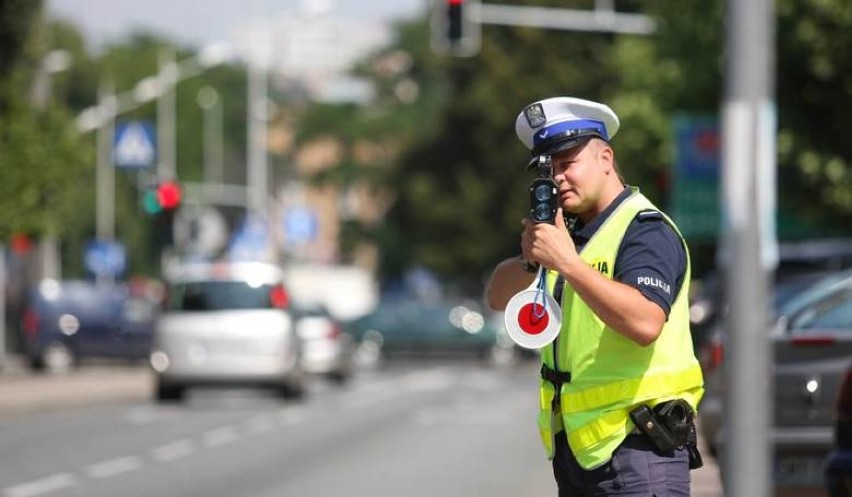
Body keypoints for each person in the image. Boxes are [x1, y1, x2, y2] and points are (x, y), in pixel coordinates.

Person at [485, 96, 704, 496]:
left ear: (606, 158)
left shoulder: (644, 230)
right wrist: (533, 259)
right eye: (549, 170)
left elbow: (644, 322)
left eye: (568, 163)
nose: (559, 178)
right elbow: (496, 296)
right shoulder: (570, 234)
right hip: (581, 455)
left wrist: (568, 263)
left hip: (639, 451)